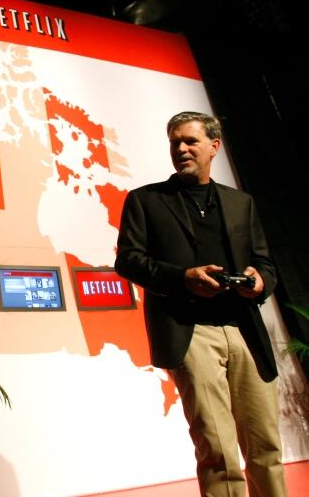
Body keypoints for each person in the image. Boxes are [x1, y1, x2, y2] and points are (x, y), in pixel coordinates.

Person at [115, 112, 285, 496]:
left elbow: (265, 263)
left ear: (214, 146)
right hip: (190, 331)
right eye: (175, 142)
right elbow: (127, 259)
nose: (181, 149)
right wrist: (183, 277)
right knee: (218, 450)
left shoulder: (240, 202)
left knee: (266, 446)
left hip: (244, 329)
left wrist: (259, 282)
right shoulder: (146, 200)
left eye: (190, 141)